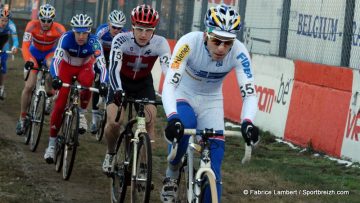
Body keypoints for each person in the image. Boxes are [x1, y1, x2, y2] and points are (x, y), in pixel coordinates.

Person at [160, 4, 259, 203]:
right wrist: (172, 117)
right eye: (217, 40)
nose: (222, 48)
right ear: (206, 34)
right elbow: (169, 85)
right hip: (183, 94)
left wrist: (248, 122)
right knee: (184, 126)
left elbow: (249, 94)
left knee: (215, 162)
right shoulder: (188, 43)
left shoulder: (239, 52)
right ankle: (172, 174)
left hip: (211, 102)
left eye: (228, 42)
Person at [102, 4, 171, 173]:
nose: (143, 34)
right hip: (121, 81)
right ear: (132, 27)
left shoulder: (160, 43)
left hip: (143, 83)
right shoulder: (121, 39)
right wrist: (117, 90)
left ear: (154, 29)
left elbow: (168, 72)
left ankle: (142, 168)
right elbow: (113, 69)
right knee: (114, 122)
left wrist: (171, 93)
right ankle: (111, 153)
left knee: (149, 120)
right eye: (139, 29)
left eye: (148, 30)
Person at [43, 14, 108, 163]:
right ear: (73, 31)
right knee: (59, 106)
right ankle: (51, 145)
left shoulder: (94, 41)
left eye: (84, 32)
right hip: (66, 68)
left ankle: (82, 113)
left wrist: (104, 82)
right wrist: (55, 77)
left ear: (89, 32)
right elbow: (56, 60)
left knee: (88, 81)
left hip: (84, 67)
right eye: (78, 32)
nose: (81, 36)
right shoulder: (66, 38)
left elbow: (102, 65)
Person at [16, 4, 65, 135]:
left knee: (51, 66)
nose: (45, 23)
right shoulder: (32, 25)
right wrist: (28, 61)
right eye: (43, 20)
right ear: (39, 18)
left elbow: (63, 49)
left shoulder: (60, 29)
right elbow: (25, 46)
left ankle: (49, 95)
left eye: (49, 20)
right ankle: (22, 118)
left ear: (53, 20)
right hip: (34, 54)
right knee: (29, 86)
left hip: (49, 54)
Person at [90, 10, 126, 134]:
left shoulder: (124, 35)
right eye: (114, 27)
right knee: (98, 81)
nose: (116, 30)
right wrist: (97, 64)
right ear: (109, 24)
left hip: (115, 57)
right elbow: (95, 49)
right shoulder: (101, 31)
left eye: (119, 28)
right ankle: (94, 119)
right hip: (102, 55)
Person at [0, 7, 18, 100]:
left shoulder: (11, 25)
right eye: (2, 20)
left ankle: (1, 87)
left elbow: (15, 40)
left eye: (6, 20)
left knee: (3, 63)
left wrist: (14, 47)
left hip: (4, 41)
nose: (4, 23)